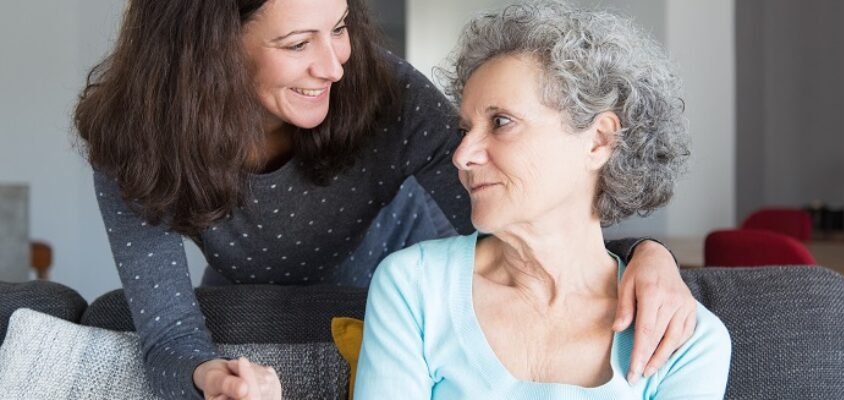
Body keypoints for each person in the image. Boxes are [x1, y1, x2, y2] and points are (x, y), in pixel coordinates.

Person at [74, 0, 697, 398]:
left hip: (423, 276)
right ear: (206, 52)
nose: (334, 66)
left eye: (339, 27)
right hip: (258, 298)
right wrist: (207, 374)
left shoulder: (383, 92)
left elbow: (535, 213)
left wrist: (645, 254)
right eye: (297, 44)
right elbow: (167, 334)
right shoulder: (136, 141)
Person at [354, 1, 731, 398]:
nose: (462, 155)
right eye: (465, 129)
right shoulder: (414, 286)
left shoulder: (685, 340)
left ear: (598, 140)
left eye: (501, 122)